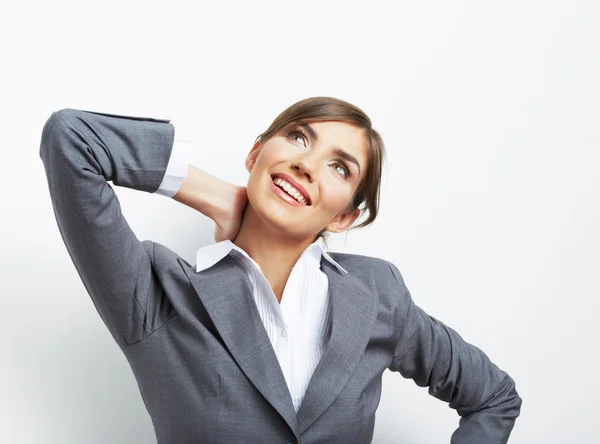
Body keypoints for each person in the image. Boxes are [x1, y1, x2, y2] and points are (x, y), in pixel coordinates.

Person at [39, 97, 522, 444]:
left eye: (340, 167)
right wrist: (215, 195)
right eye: (297, 137)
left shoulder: (377, 293)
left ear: (343, 217)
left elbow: (493, 397)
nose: (306, 164)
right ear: (256, 154)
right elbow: (71, 137)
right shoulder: (153, 294)